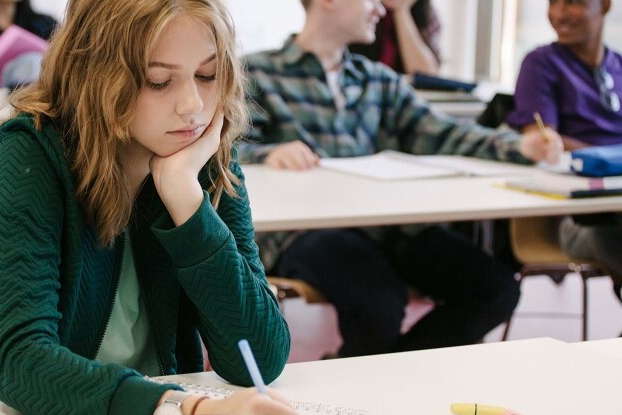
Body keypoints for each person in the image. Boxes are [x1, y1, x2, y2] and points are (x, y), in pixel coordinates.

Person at [0, 0, 301, 415]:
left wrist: (187, 201)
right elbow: (21, 363)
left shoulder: (202, 159)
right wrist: (184, 408)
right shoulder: (27, 155)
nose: (192, 105)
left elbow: (260, 356)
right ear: (100, 77)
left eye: (207, 75)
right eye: (158, 81)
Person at [238, 0, 563, 358]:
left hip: (385, 225)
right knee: (378, 303)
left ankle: (385, 372)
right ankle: (367, 383)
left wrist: (521, 146)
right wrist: (266, 154)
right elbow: (222, 150)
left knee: (495, 289)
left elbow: (443, 132)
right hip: (305, 233)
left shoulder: (377, 79)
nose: (380, 9)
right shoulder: (257, 72)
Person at [507, 0, 622, 333]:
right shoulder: (541, 65)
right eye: (553, 3)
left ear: (604, 5)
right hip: (580, 218)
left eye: (574, 3)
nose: (560, 13)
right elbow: (541, 140)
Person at [349, 0, 441, 75]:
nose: (380, 11)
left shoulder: (425, 12)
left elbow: (427, 75)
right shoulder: (360, 7)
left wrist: (401, 10)